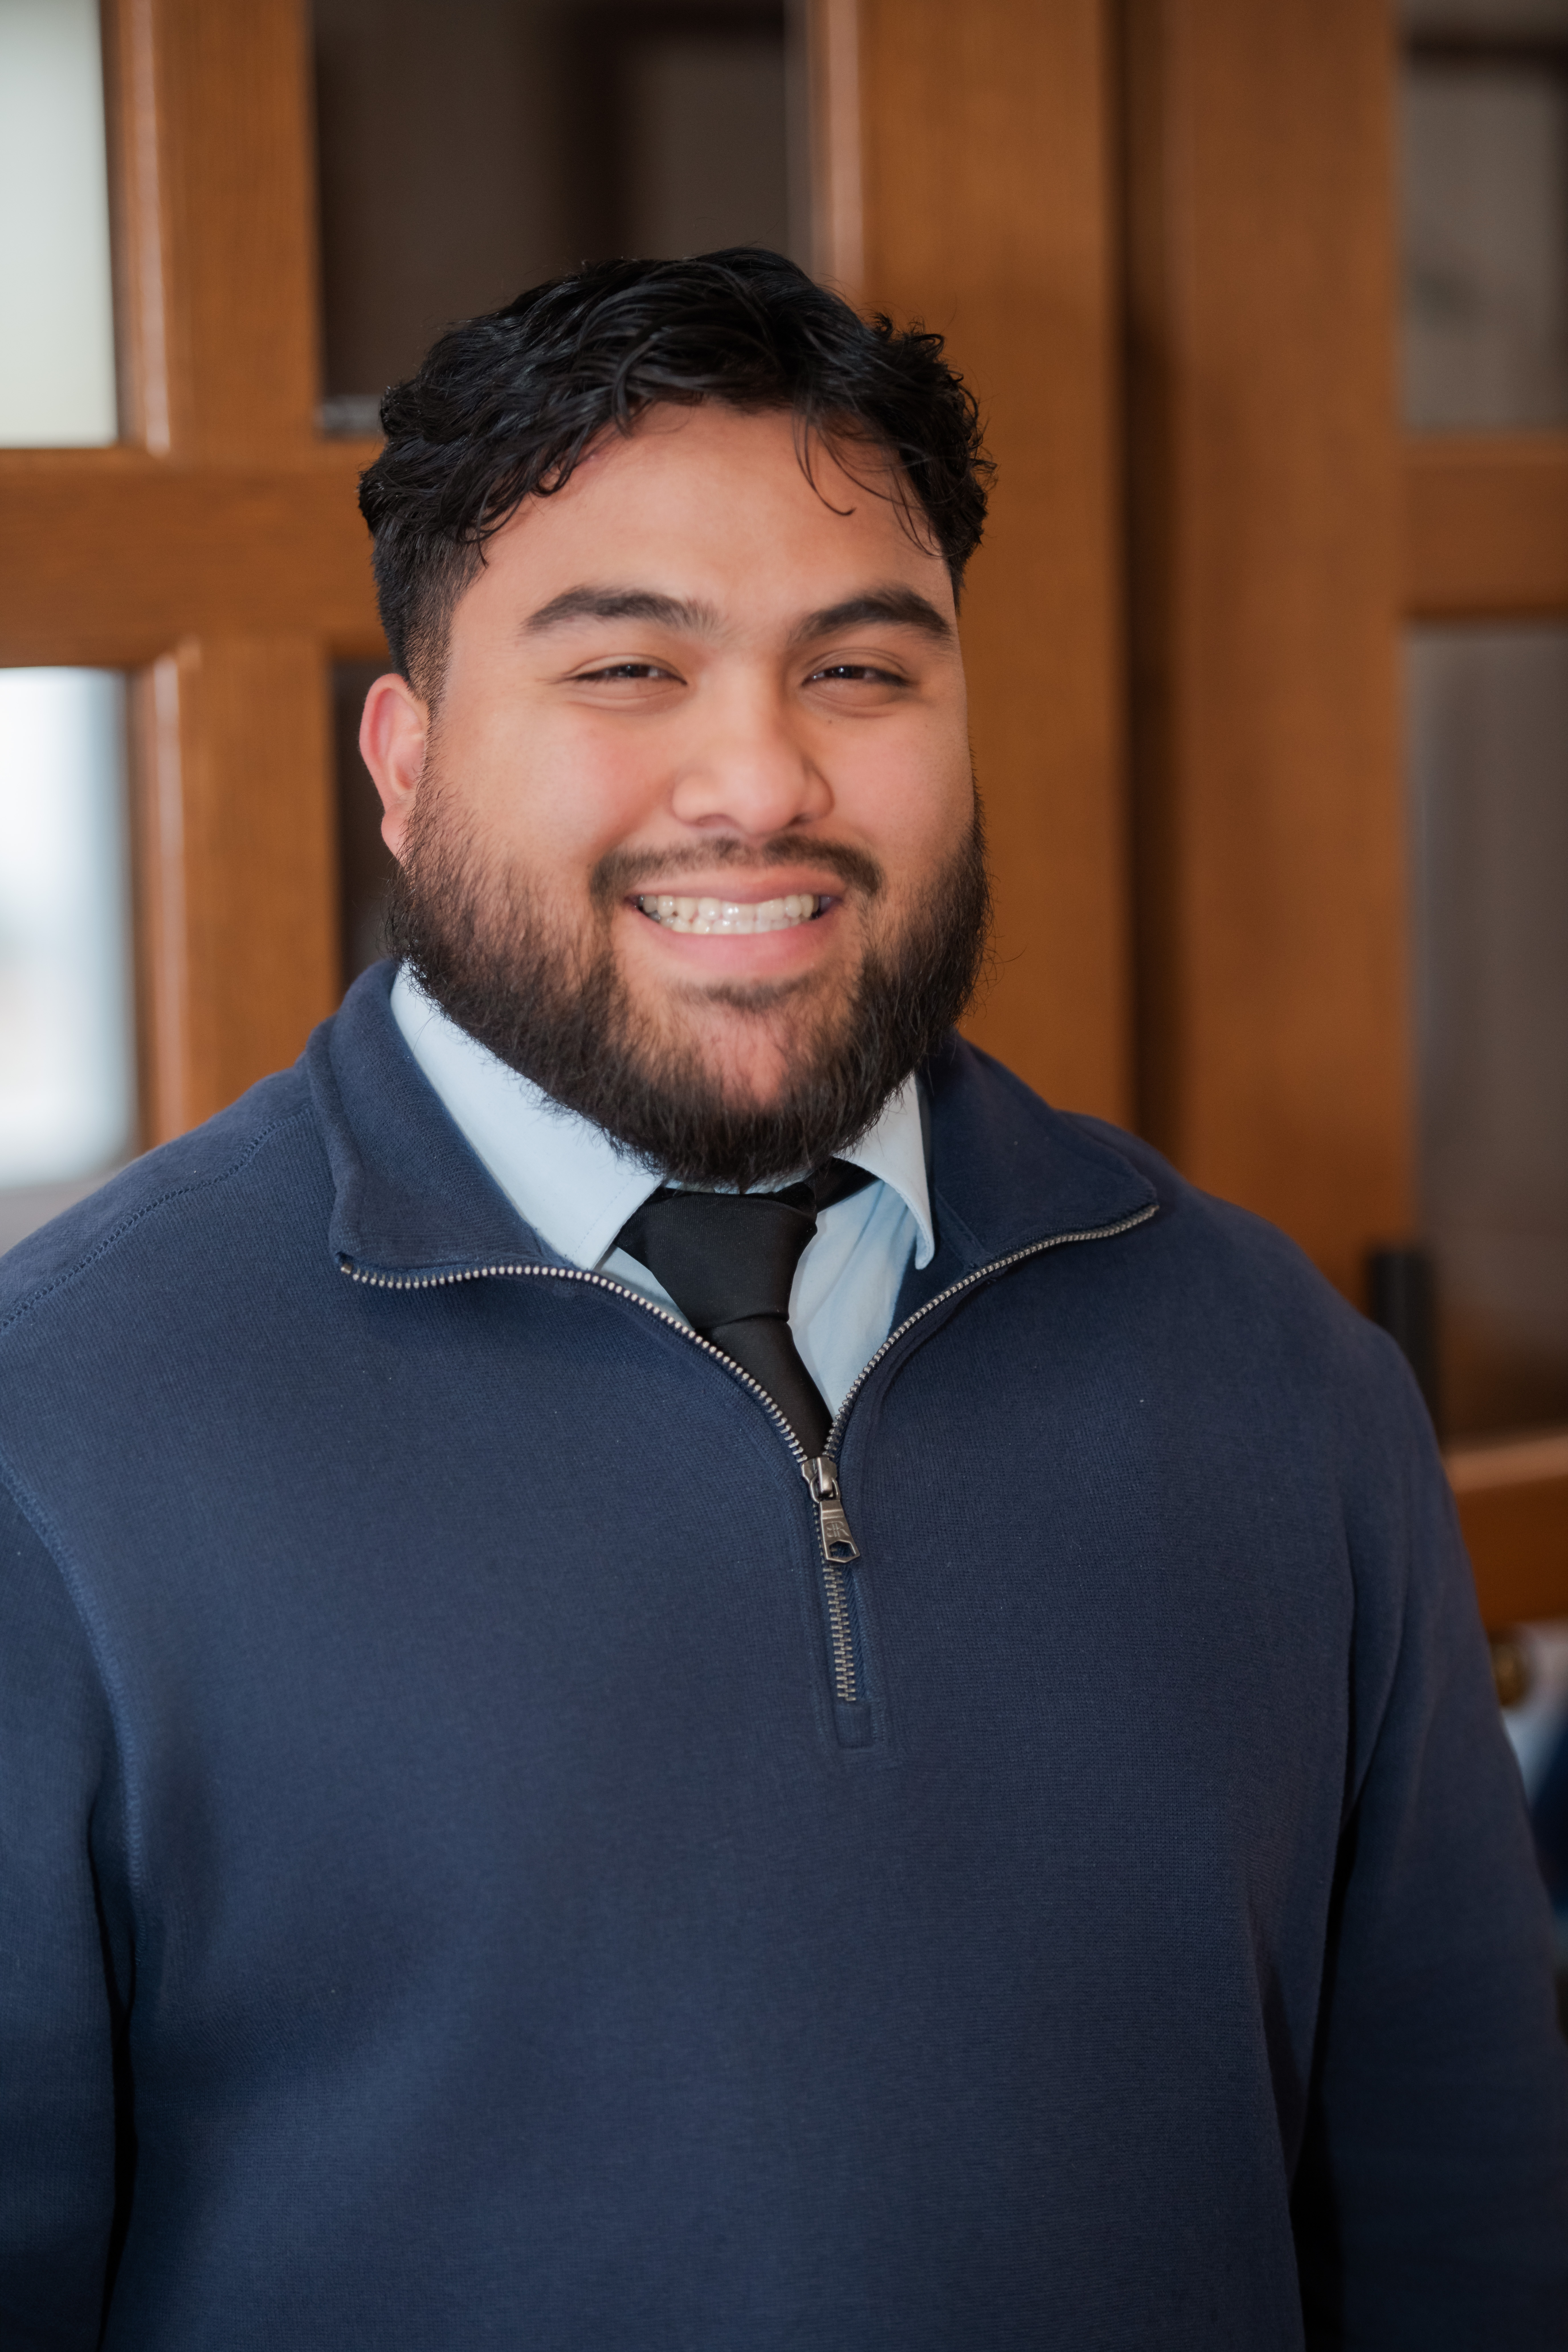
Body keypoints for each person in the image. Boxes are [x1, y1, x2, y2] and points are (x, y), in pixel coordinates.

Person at [0, 248, 1562, 2351]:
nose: (758, 785)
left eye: (860, 672)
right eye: (628, 671)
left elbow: (1469, 2232)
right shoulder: (58, 1435)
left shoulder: (1280, 1374)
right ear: (406, 757)